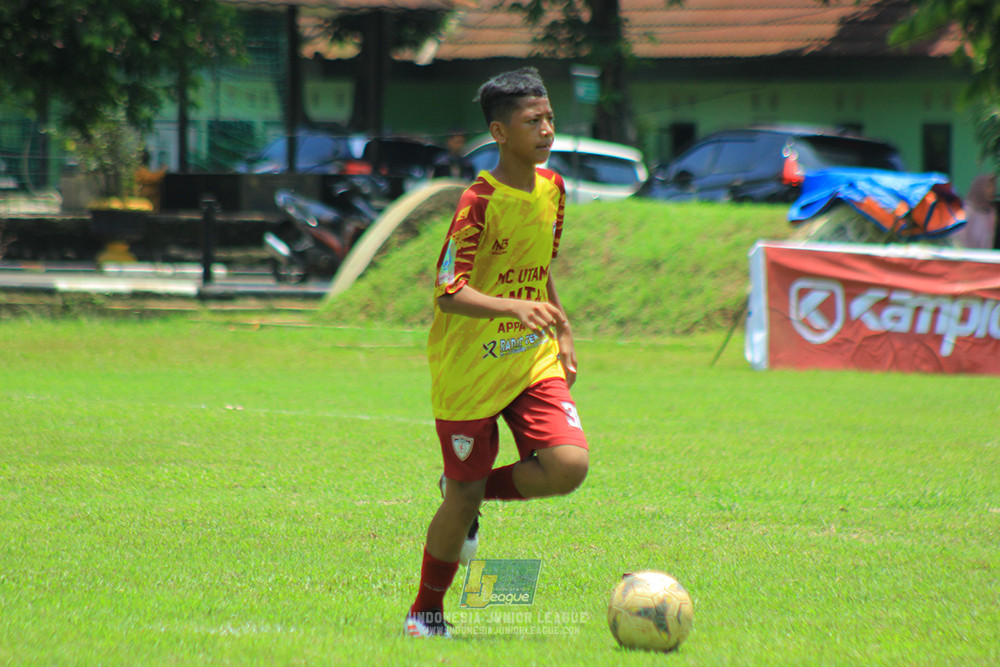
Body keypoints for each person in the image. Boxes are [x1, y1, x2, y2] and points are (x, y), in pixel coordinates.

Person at [404, 67, 589, 638]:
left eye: (550, 117)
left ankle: (472, 486)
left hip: (530, 355)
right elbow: (448, 292)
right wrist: (514, 308)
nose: (547, 129)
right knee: (460, 499)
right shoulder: (477, 200)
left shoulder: (554, 190)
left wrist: (561, 330)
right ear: (499, 131)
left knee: (568, 466)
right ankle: (426, 613)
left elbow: (539, 270)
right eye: (532, 121)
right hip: (469, 367)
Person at [955, 173, 997, 250]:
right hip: (967, 258)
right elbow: (960, 239)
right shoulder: (967, 210)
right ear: (979, 188)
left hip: (983, 259)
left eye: (993, 186)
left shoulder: (990, 213)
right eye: (988, 187)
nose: (992, 190)